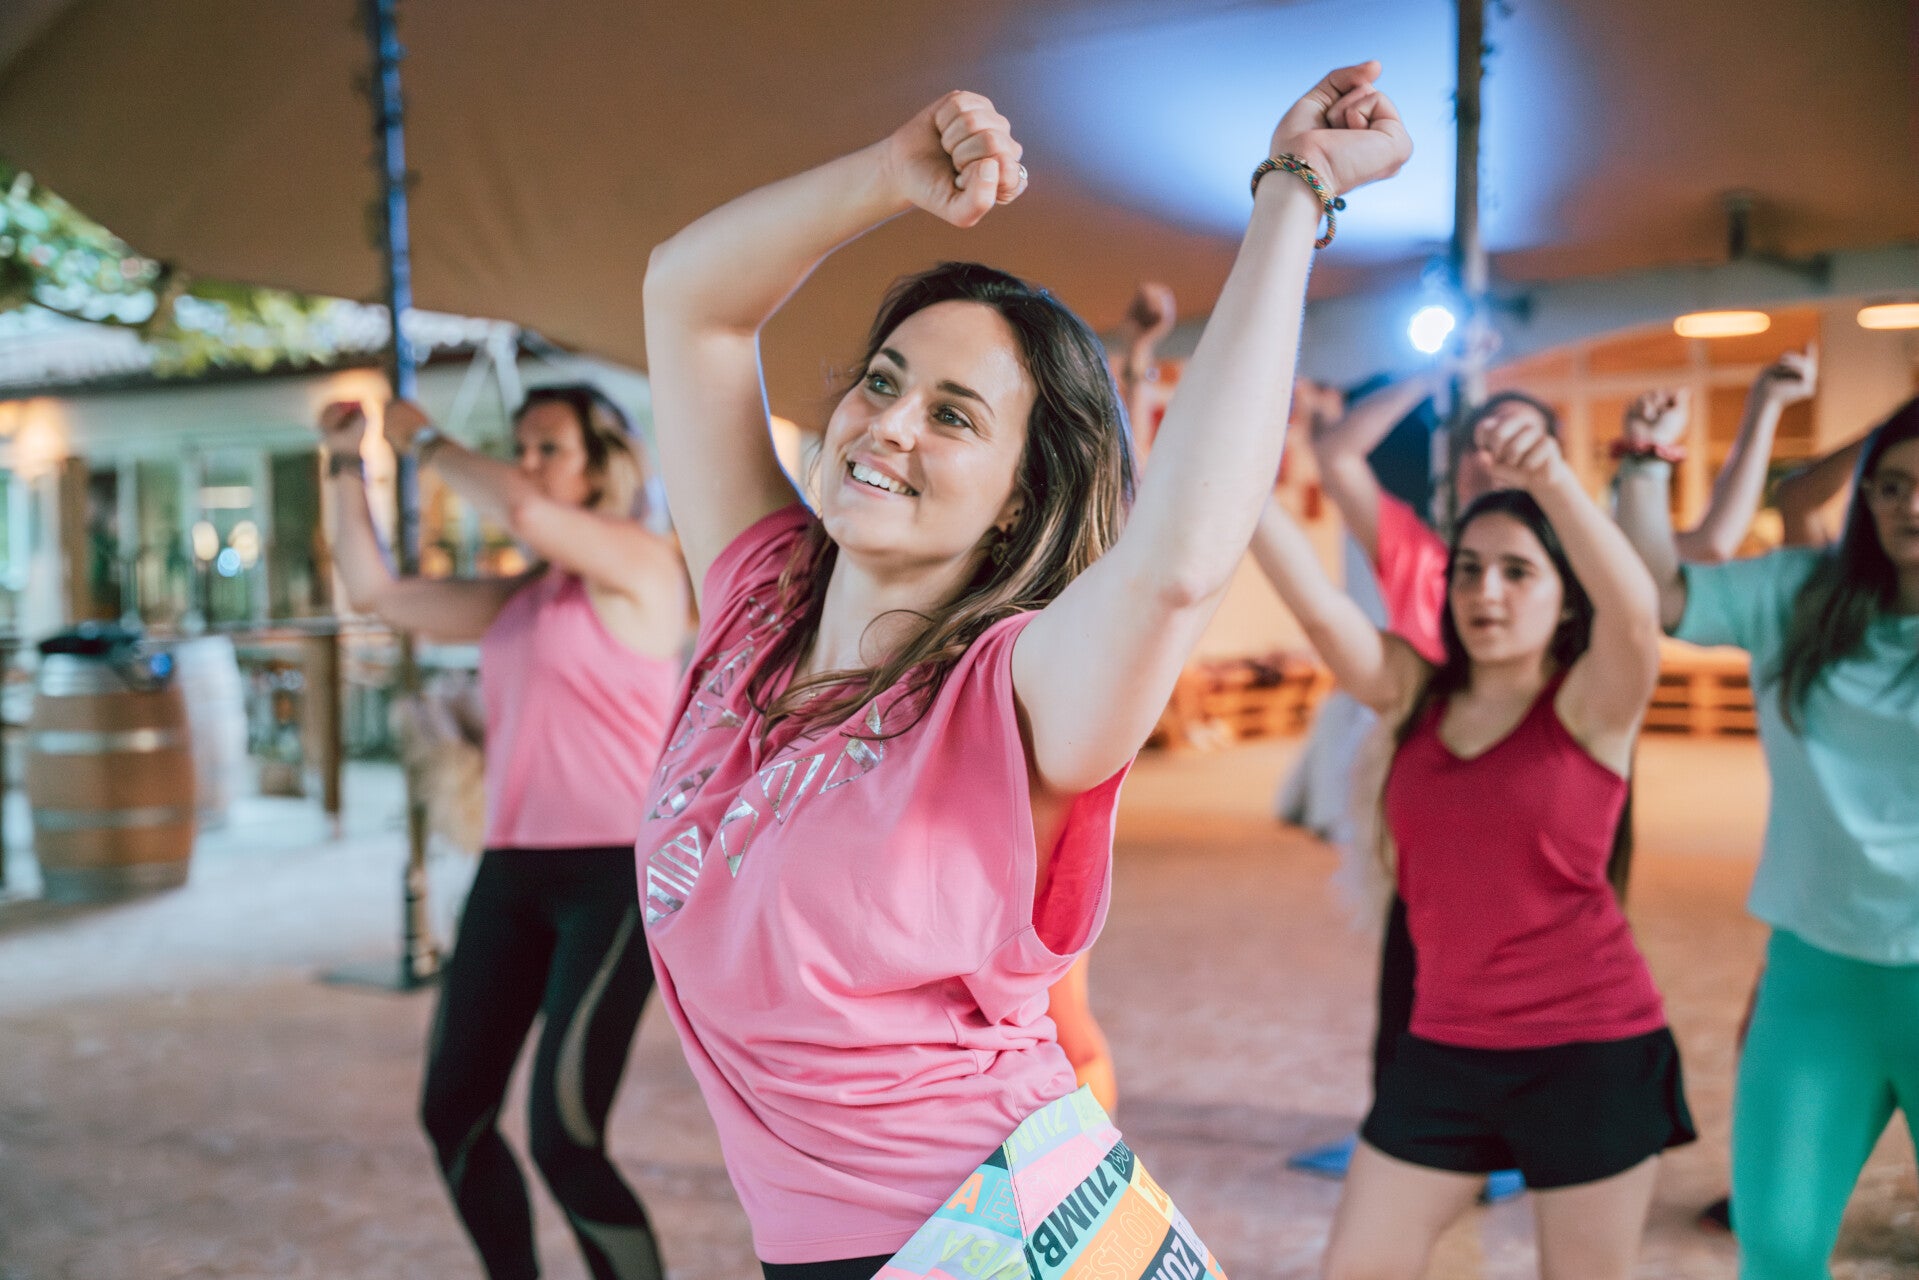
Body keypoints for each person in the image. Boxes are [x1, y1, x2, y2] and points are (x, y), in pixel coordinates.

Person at [637, 64, 1409, 1278]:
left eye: (953, 415)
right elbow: (687, 300)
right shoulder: (755, 597)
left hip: (1005, 1241)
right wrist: (888, 177)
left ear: (1015, 504)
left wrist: (1293, 192)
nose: (887, 423)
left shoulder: (1010, 691)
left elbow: (1175, 563)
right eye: (882, 382)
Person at [1253, 403, 1695, 1280]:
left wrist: (1551, 482)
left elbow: (1637, 614)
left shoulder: (1591, 707)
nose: (1484, 592)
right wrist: (1223, 467)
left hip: (1587, 1053)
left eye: (1516, 572)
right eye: (1468, 570)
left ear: (1563, 591)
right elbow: (1315, 609)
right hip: (1443, 1051)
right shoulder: (1413, 692)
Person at [318, 385, 688, 1280]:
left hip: (612, 881)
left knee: (563, 1138)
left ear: (603, 466)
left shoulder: (645, 567)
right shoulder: (524, 598)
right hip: (510, 876)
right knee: (454, 1115)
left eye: (547, 446)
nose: (525, 466)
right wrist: (342, 460)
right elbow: (375, 592)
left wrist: (425, 442)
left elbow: (519, 507)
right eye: (518, 446)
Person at [1616, 394, 1919, 1279]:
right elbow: (1657, 594)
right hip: (1817, 984)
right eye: (1892, 486)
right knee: (1777, 1249)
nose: (1910, 506)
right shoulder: (1798, 595)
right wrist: (1643, 464)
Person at [1289, 368, 1565, 1196]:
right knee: (1410, 969)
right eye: (1481, 438)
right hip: (1422, 800)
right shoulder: (1423, 556)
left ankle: (1513, 1139)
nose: (1492, 454)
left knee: (1525, 971)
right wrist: (1432, 372)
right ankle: (1403, 1134)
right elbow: (1335, 454)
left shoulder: (1570, 569)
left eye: (1516, 438)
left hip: (1527, 805)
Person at [1606, 348, 1817, 1236]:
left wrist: (1759, 409)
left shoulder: (1588, 550)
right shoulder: (1489, 554)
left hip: (1589, 776)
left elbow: (1704, 548)